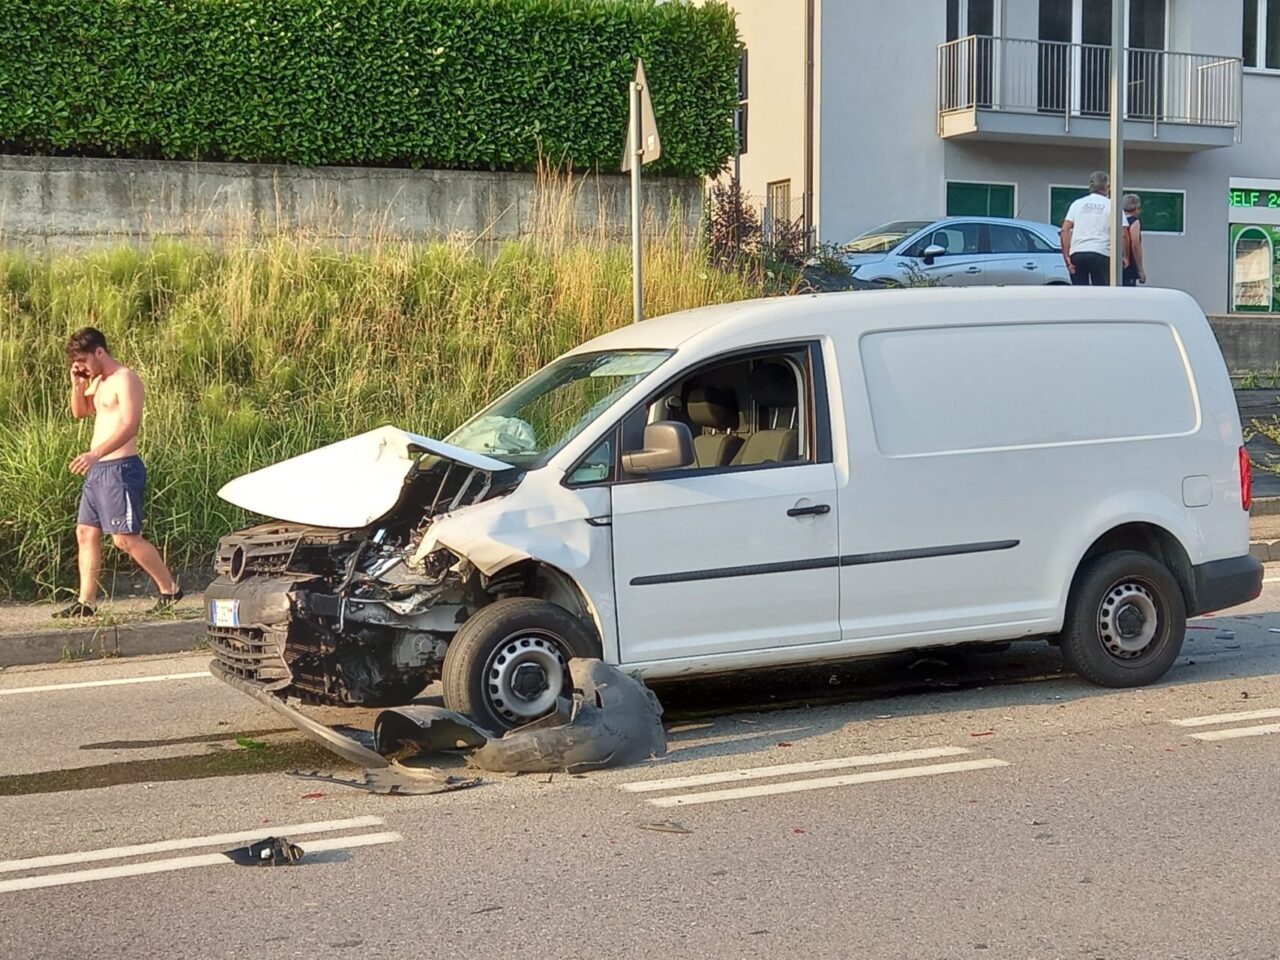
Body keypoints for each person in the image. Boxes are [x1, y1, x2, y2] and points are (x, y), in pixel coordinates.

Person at [57, 327, 182, 618]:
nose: (82, 367)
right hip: (97, 470)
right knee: (86, 532)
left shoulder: (125, 378)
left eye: (84, 361)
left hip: (120, 468)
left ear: (100, 352)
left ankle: (170, 589)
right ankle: (86, 602)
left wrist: (96, 452)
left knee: (124, 538)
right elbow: (80, 412)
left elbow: (130, 425)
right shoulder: (98, 382)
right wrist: (77, 384)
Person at [1060, 171, 1114, 286]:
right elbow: (1123, 233)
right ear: (1106, 186)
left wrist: (1066, 256)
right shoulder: (1111, 205)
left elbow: (1065, 229)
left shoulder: (1077, 204)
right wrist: (1124, 256)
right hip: (1100, 252)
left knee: (1080, 292)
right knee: (1101, 292)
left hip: (1077, 252)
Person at [1122, 193, 1147, 286]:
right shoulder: (1134, 222)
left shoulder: (1116, 221)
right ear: (1136, 208)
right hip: (1128, 264)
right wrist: (1140, 269)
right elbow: (1135, 243)